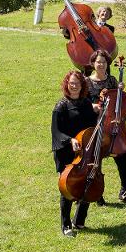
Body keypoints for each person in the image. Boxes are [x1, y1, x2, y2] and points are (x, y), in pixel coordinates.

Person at [85, 49, 126, 205]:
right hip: (96, 126)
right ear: (93, 63)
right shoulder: (86, 82)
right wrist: (91, 105)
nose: (101, 64)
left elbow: (118, 104)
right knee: (95, 161)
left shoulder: (112, 80)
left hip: (114, 126)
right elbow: (81, 103)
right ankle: (98, 195)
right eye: (98, 62)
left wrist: (120, 90)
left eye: (104, 62)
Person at [52, 71, 97, 236]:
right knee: (67, 188)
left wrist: (100, 113)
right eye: (71, 83)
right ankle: (65, 225)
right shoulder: (61, 106)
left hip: (85, 151)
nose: (74, 86)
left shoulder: (86, 103)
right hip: (66, 152)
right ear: (67, 84)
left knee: (88, 183)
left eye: (77, 83)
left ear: (82, 85)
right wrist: (70, 140)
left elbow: (93, 126)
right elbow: (56, 132)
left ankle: (79, 221)